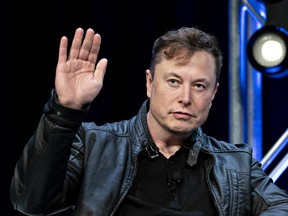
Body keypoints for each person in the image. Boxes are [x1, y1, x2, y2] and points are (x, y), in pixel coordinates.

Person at [10, 27, 288, 216]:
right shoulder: (94, 144)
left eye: (200, 86)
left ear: (213, 94)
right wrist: (65, 111)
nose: (185, 97)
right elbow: (31, 202)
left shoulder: (236, 164)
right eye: (174, 81)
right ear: (149, 83)